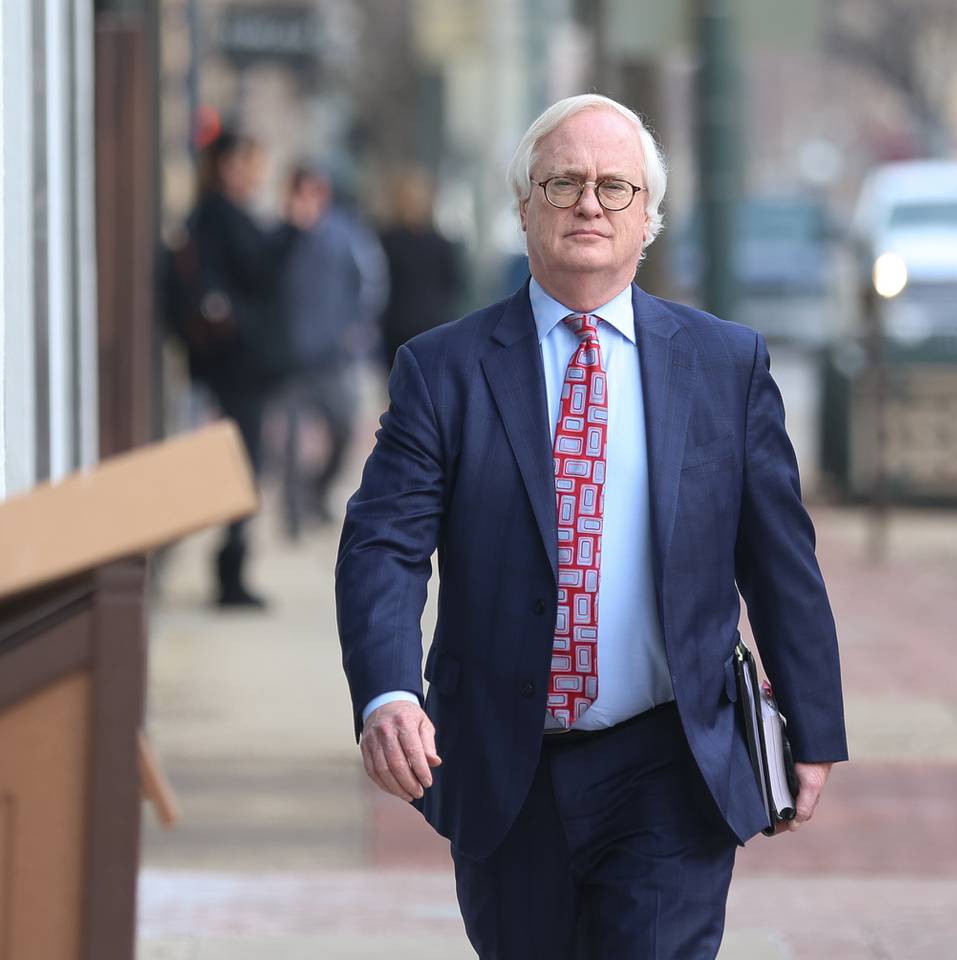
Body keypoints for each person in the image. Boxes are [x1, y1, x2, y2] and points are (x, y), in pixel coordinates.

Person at [335, 94, 847, 958]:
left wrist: (814, 724)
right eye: (564, 181)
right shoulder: (444, 371)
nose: (589, 204)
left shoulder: (725, 364)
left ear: (649, 216)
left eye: (616, 187)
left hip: (670, 762)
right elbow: (384, 547)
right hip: (506, 765)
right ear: (524, 205)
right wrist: (388, 693)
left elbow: (778, 558)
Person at [166, 129, 318, 607]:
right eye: (250, 164)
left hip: (240, 365)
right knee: (242, 467)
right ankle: (229, 574)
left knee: (245, 465)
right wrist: (293, 228)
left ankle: (232, 569)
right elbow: (258, 269)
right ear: (229, 165)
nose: (256, 175)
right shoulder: (219, 215)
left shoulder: (219, 215)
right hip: (238, 367)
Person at [279, 165, 388, 539]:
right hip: (290, 355)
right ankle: (292, 515)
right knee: (290, 441)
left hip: (333, 355)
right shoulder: (282, 237)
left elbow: (370, 284)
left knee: (343, 428)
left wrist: (355, 331)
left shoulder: (346, 235)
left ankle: (317, 491)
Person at [376, 170, 462, 370]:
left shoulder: (386, 241)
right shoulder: (441, 244)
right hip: (432, 325)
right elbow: (452, 286)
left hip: (397, 327)